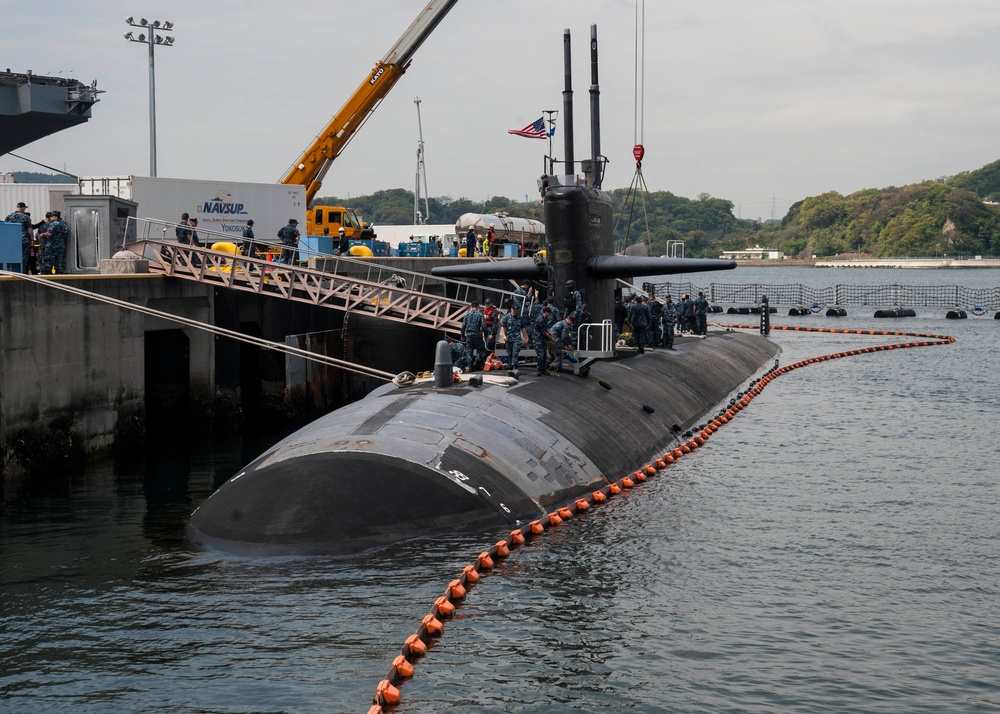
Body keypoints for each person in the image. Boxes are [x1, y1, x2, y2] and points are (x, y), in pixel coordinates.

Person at [4, 201, 33, 274]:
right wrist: (32, 239)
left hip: (11, 240)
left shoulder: (9, 216)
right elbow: (30, 230)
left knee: (12, 257)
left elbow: (5, 228)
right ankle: (23, 273)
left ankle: (12, 272)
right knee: (24, 258)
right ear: (23, 208)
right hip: (24, 240)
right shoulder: (26, 217)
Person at [38, 210, 68, 274]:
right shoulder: (64, 223)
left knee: (48, 259)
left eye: (51, 216)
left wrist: (42, 234)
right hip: (61, 244)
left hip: (52, 245)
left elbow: (49, 233)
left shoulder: (54, 223)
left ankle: (47, 273)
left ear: (56, 217)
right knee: (59, 259)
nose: (50, 218)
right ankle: (59, 272)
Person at [461, 301, 487, 371]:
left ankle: (470, 366)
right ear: (478, 307)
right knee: (481, 350)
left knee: (469, 350)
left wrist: (462, 335)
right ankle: (477, 360)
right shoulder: (480, 315)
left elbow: (463, 326)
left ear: (471, 307)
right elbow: (484, 326)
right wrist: (486, 335)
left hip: (469, 335)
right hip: (477, 335)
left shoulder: (467, 315)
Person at [499, 304, 524, 370]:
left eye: (516, 311)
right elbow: (502, 327)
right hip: (508, 338)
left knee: (515, 352)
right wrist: (504, 336)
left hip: (517, 338)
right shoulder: (506, 317)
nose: (515, 313)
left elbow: (523, 327)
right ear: (511, 310)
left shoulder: (520, 318)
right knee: (509, 352)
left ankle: (514, 365)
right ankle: (511, 364)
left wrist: (525, 337)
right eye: (514, 311)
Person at [529, 304, 551, 375]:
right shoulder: (540, 319)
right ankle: (539, 369)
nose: (549, 314)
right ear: (545, 312)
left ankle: (543, 369)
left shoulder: (545, 318)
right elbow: (543, 331)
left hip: (542, 339)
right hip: (537, 339)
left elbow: (546, 328)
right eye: (548, 313)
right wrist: (550, 337)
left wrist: (549, 334)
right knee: (540, 355)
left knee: (544, 354)